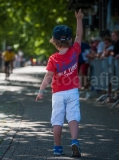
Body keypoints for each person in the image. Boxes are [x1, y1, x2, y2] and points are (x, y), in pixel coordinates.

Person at [35, 9, 83, 157]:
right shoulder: (75, 51)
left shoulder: (53, 58)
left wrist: (41, 91)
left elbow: (48, 76)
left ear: (54, 41)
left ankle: (57, 147)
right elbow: (79, 35)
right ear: (69, 40)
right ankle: (74, 141)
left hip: (58, 93)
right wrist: (79, 19)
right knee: (73, 117)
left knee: (57, 120)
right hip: (72, 91)